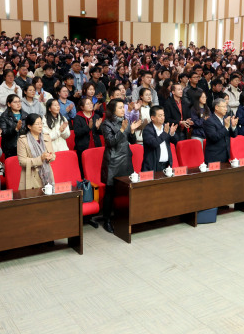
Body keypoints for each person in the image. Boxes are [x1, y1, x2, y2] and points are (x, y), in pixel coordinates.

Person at [100, 99, 141, 233]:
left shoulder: (125, 121)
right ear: (112, 110)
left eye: (123, 107)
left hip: (126, 159)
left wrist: (132, 131)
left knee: (126, 190)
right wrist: (123, 129)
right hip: (113, 161)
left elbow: (132, 141)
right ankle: (107, 220)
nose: (123, 110)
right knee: (110, 192)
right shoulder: (106, 124)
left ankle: (125, 217)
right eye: (120, 108)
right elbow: (110, 142)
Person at [17, 113, 55, 190]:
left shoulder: (46, 137)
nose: (40, 126)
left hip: (46, 174)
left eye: (41, 123)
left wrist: (50, 157)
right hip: (31, 176)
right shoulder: (23, 140)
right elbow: (22, 161)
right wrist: (40, 159)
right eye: (37, 124)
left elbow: (53, 155)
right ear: (29, 126)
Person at [141, 106, 178, 172]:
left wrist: (172, 133)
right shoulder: (147, 130)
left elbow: (176, 141)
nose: (163, 117)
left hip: (166, 165)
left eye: (163, 115)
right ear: (152, 118)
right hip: (152, 166)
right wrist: (165, 133)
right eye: (160, 116)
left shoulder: (165, 126)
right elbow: (154, 143)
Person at [204, 98, 238, 163]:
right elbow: (214, 137)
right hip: (214, 157)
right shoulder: (209, 121)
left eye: (226, 107)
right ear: (216, 107)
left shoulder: (226, 118)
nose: (226, 109)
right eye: (224, 107)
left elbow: (234, 135)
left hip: (226, 156)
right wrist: (226, 127)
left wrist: (233, 126)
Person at [73, 98, 102, 174]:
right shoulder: (77, 118)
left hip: (96, 146)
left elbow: (101, 132)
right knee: (85, 169)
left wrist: (98, 127)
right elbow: (77, 133)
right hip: (83, 148)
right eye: (87, 104)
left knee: (96, 168)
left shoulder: (96, 116)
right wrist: (88, 128)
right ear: (82, 107)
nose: (90, 105)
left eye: (91, 103)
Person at [0, 94, 25, 158]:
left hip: (24, 146)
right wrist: (15, 129)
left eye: (19, 101)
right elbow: (3, 133)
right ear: (9, 104)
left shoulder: (25, 115)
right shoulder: (4, 116)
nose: (18, 104)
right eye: (15, 102)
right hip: (11, 148)